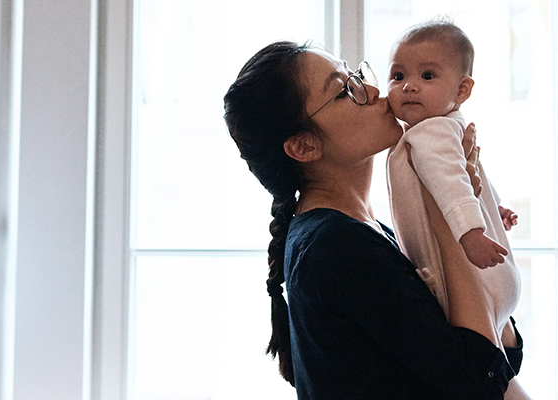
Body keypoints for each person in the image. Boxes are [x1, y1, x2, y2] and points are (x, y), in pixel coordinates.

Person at [223, 41, 522, 399]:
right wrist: (445, 205)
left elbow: (502, 358)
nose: (377, 91)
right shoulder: (338, 248)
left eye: (356, 76)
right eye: (346, 90)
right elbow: (481, 379)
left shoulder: (370, 232)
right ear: (303, 147)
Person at [385, 21, 531, 399]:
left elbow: (453, 184)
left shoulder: (428, 132)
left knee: (490, 381)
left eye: (427, 75)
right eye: (398, 75)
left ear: (462, 89)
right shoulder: (448, 126)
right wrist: (491, 208)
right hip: (493, 287)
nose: (408, 85)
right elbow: (470, 177)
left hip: (470, 279)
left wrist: (472, 234)